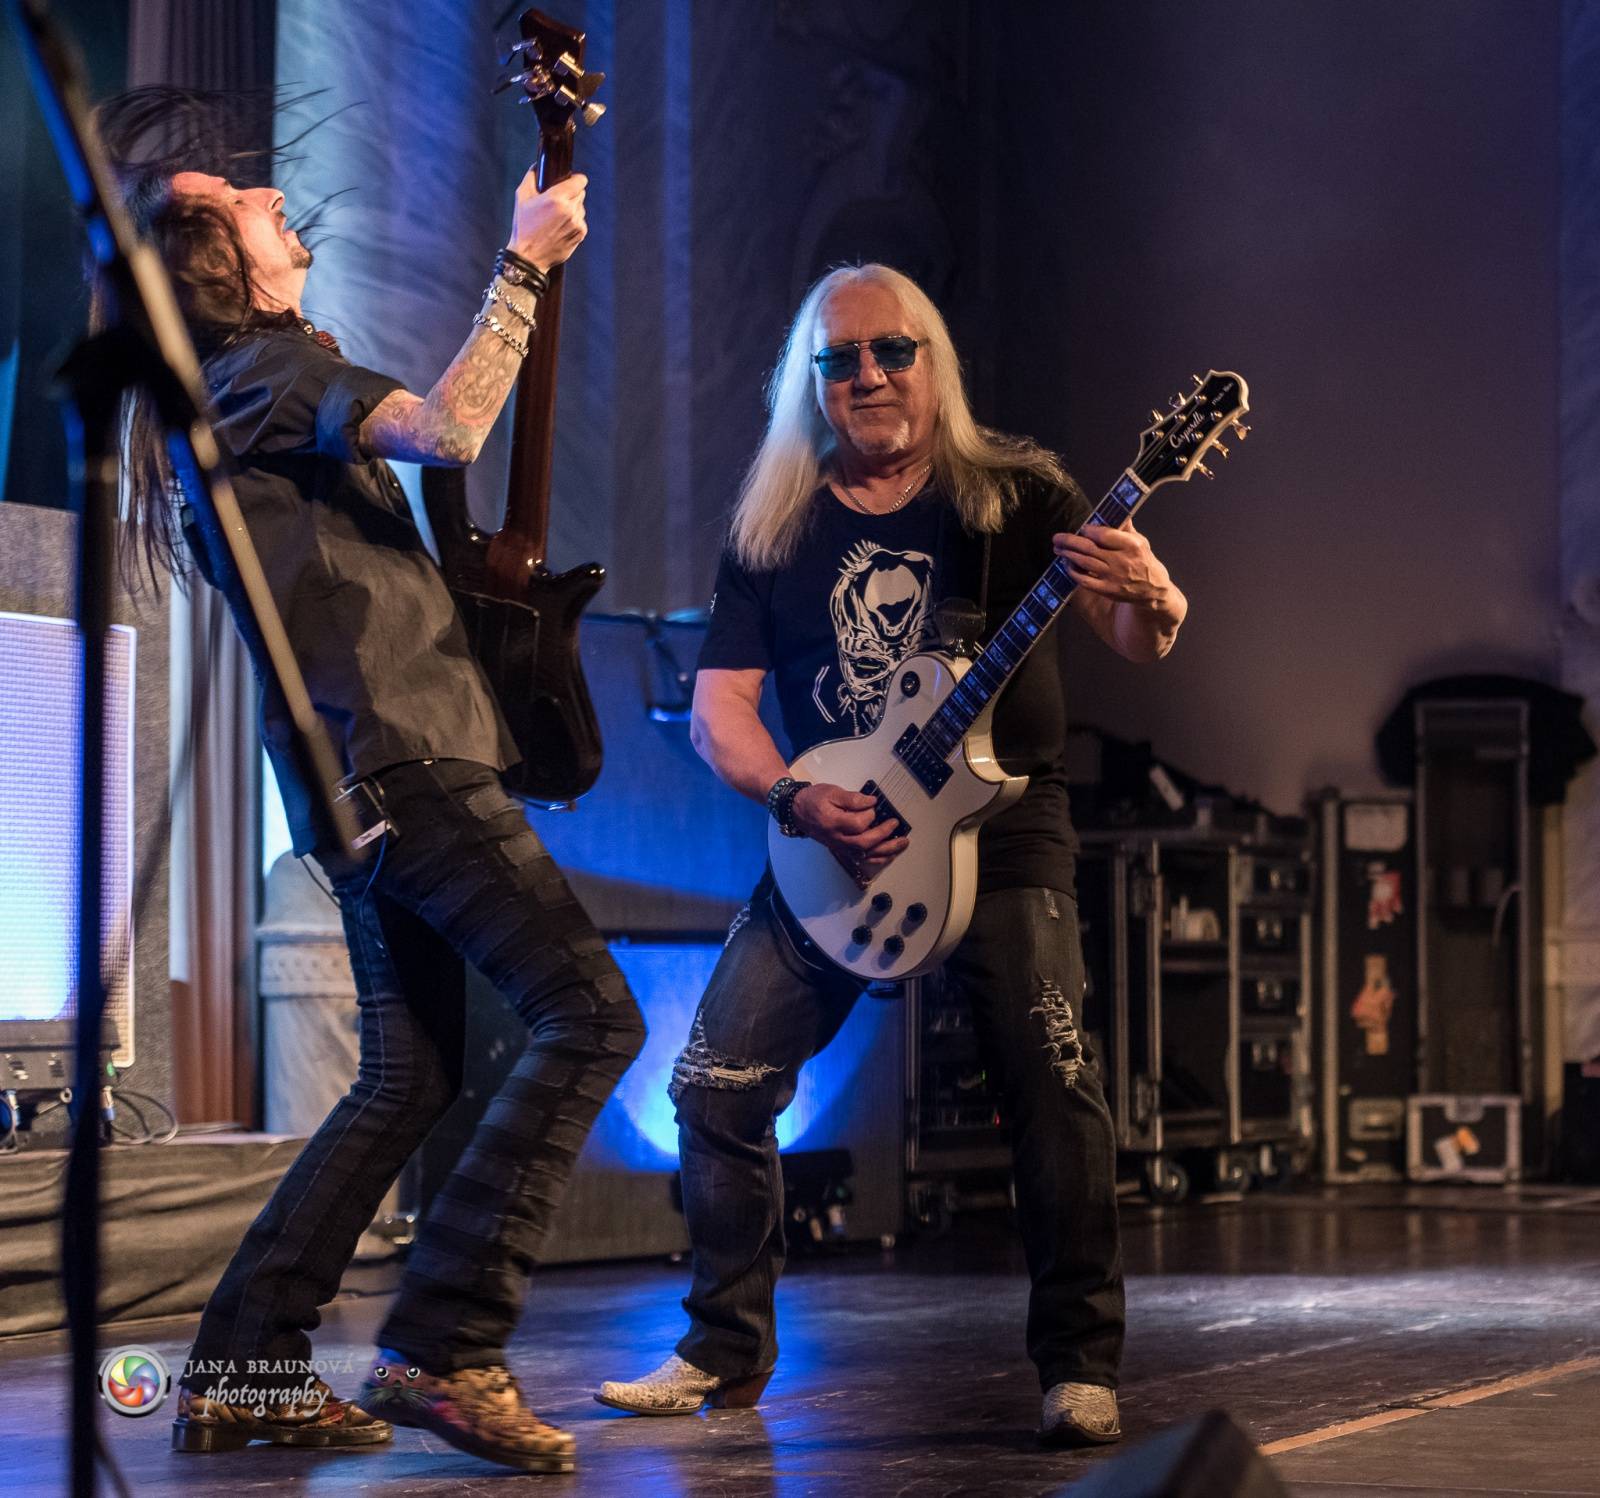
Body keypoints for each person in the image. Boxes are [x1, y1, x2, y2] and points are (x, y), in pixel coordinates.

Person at [101, 91, 644, 1474]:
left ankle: (241, 1369)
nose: (284, 209)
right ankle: (447, 1340)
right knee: (588, 1011)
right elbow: (454, 426)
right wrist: (523, 263)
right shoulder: (263, 370)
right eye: (255, 208)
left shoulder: (250, 382)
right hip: (409, 761)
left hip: (365, 779)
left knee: (407, 1078)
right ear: (217, 262)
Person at [596, 263, 1188, 1446]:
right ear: (808, 383)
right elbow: (721, 709)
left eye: (890, 351)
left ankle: (1077, 1365)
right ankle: (721, 1349)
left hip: (1003, 839)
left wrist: (1153, 589)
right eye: (840, 358)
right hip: (839, 839)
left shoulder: (1016, 498)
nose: (867, 375)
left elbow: (1135, 634)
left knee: (1052, 1083)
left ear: (933, 361)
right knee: (710, 1084)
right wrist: (793, 797)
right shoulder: (776, 524)